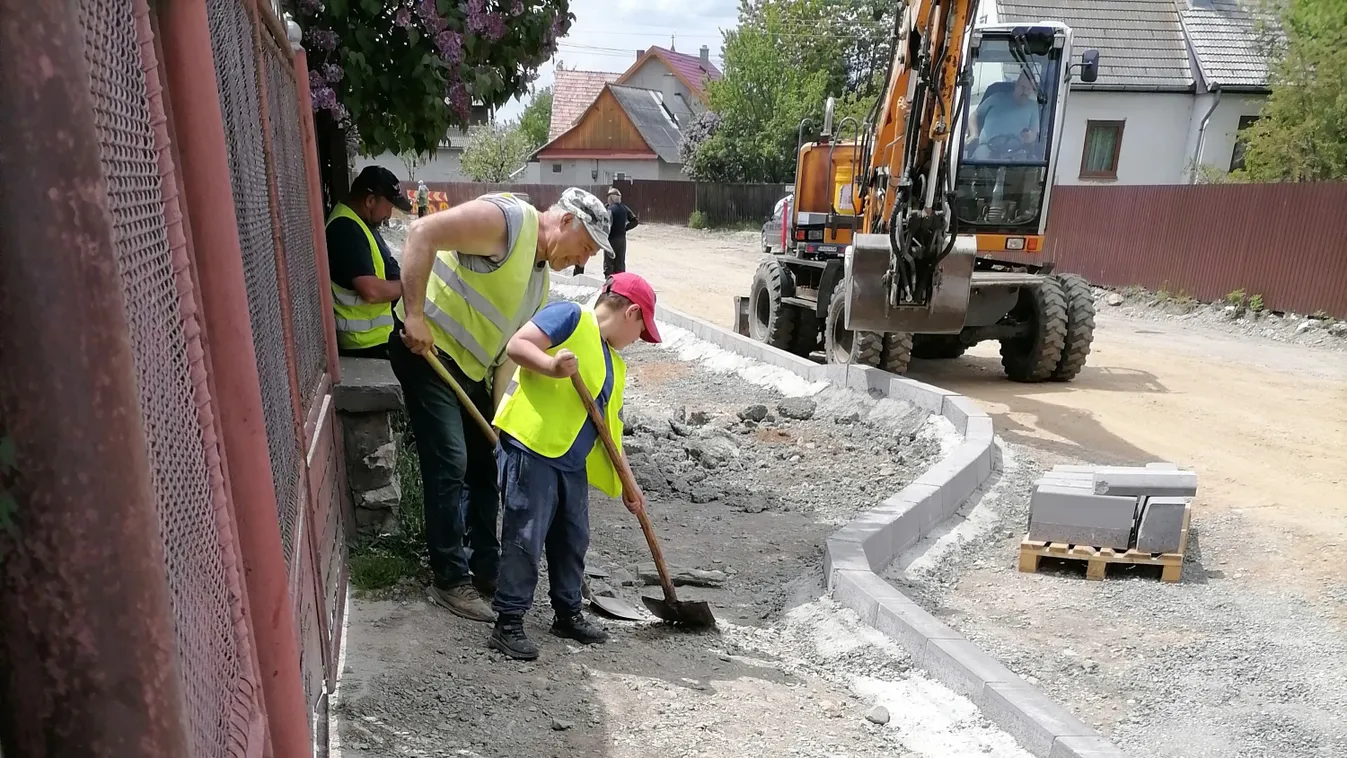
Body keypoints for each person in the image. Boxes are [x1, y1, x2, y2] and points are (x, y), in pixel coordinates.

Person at [394, 187, 613, 622]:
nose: (583, 260)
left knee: (486, 464)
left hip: (469, 369)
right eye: (586, 247)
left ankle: (486, 567)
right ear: (566, 221)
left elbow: (505, 359)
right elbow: (421, 233)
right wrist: (415, 314)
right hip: (427, 351)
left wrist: (499, 426)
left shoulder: (539, 281)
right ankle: (449, 577)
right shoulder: (508, 222)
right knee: (451, 460)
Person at [489, 272, 658, 659]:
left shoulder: (614, 363)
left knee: (573, 539)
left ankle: (568, 613)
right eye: (642, 330)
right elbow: (518, 345)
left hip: (570, 462)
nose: (639, 340)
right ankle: (508, 622)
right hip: (531, 448)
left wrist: (629, 485)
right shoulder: (571, 317)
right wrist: (551, 366)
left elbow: (610, 431)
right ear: (632, 312)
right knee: (525, 538)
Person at [326, 165, 412, 359]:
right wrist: (412, 286)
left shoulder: (361, 223)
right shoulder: (346, 229)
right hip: (365, 344)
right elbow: (371, 291)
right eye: (389, 206)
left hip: (375, 340)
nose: (389, 215)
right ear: (370, 201)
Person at [966, 71, 1041, 159]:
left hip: (1017, 152)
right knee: (979, 159)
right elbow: (974, 115)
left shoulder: (1033, 107)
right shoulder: (996, 98)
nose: (1025, 92)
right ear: (1016, 85)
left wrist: (1028, 136)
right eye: (1023, 87)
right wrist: (974, 134)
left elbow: (1033, 134)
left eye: (1029, 89)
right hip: (986, 149)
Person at [603, 188, 639, 277]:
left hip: (611, 240)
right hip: (622, 240)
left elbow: (607, 225)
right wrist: (625, 228)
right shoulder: (624, 208)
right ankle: (620, 283)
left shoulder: (609, 209)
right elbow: (635, 221)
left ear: (610, 198)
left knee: (609, 264)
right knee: (620, 265)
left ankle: (610, 283)